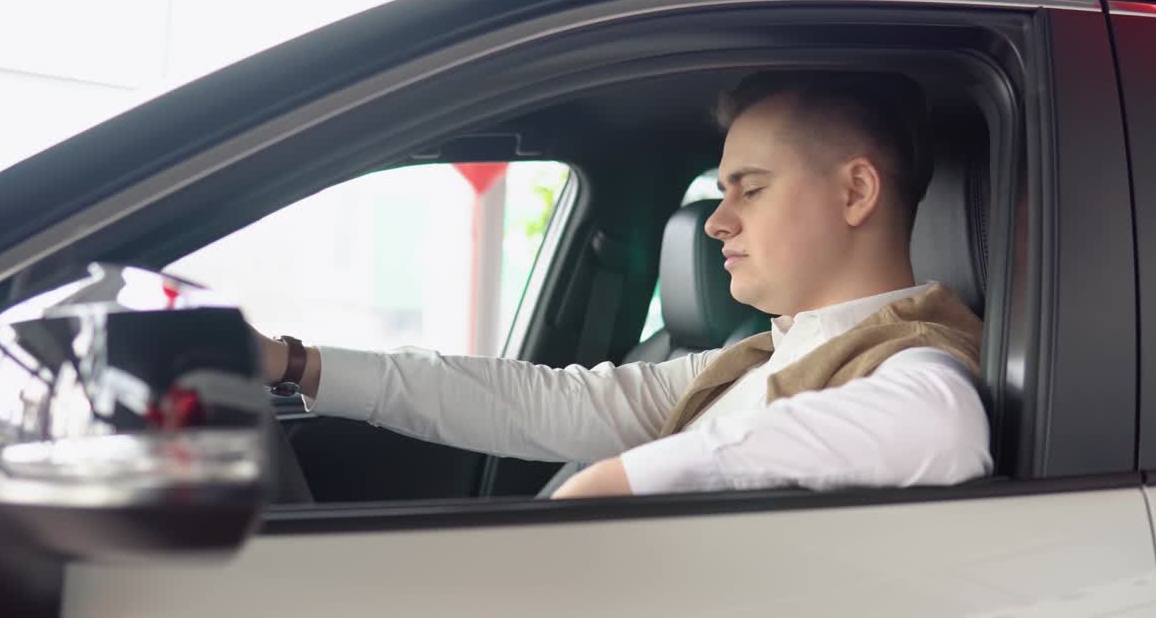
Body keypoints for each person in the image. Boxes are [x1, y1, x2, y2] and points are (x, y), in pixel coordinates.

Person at [254, 71, 992, 499]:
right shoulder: (756, 358)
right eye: (720, 191)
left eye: (750, 190)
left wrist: (612, 487)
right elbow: (545, 402)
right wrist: (293, 363)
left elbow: (940, 422)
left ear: (857, 191)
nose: (715, 222)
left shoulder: (917, 369)